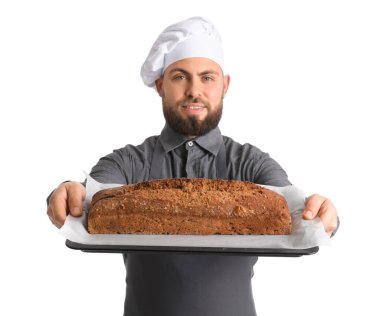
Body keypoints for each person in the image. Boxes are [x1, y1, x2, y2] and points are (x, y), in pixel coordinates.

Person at [47, 17, 339, 316]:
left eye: (207, 77)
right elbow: (88, 200)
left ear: (224, 85)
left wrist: (323, 216)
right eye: (179, 77)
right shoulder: (129, 161)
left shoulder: (251, 163)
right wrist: (67, 194)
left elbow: (292, 210)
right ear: (160, 85)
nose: (194, 91)